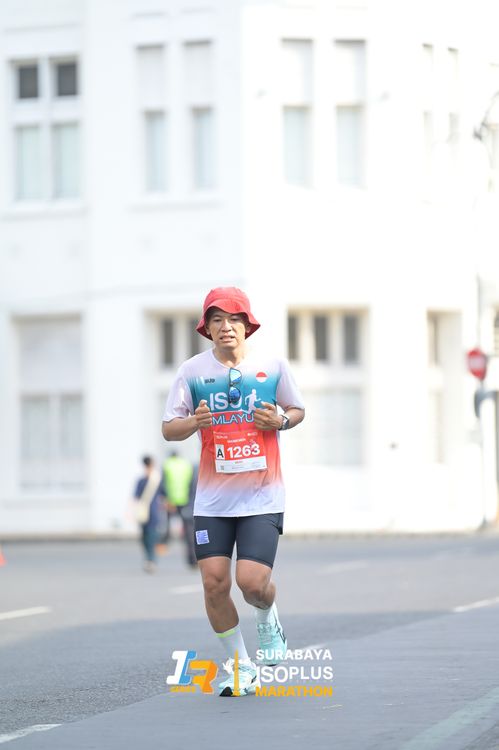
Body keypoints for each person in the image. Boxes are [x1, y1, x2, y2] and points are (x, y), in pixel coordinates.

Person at [162, 287, 305, 697]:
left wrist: (280, 421)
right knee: (214, 583)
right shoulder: (192, 371)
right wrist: (195, 421)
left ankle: (267, 616)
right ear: (206, 328)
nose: (226, 327)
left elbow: (297, 410)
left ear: (247, 326)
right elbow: (169, 428)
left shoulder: (273, 366)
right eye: (217, 320)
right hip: (212, 499)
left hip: (262, 494)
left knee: (252, 583)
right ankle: (241, 667)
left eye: (234, 319)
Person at [162, 451, 197, 568]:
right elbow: (192, 482)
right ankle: (192, 559)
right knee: (189, 532)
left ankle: (164, 545)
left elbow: (163, 484)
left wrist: (167, 498)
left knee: (166, 525)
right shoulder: (186, 464)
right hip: (185, 501)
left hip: (171, 501)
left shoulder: (167, 464)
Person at [133, 456, 165, 574]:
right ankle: (149, 559)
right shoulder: (143, 480)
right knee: (145, 537)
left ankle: (151, 560)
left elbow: (164, 494)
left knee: (151, 536)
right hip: (145, 512)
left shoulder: (155, 480)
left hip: (152, 512)